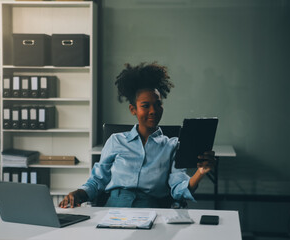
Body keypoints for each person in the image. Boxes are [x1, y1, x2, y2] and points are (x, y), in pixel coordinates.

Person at [59, 62, 215, 208]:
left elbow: (179, 188)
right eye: (145, 106)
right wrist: (78, 194)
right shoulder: (116, 141)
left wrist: (200, 173)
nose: (153, 111)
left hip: (151, 210)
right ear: (133, 109)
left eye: (158, 104)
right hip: (114, 209)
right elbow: (97, 182)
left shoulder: (172, 145)